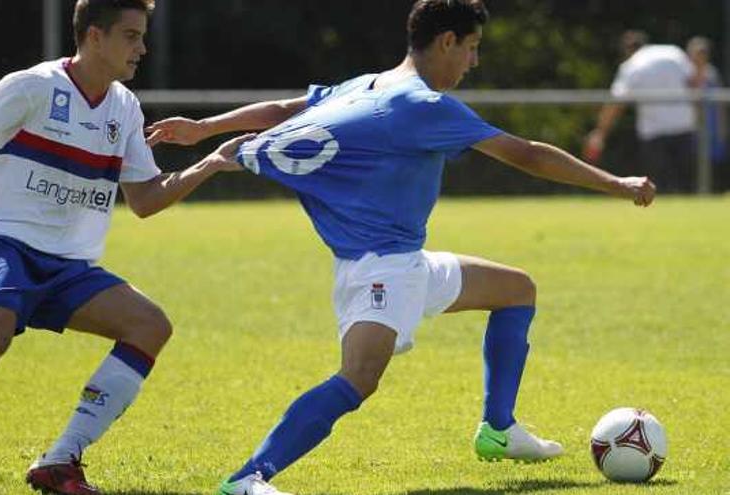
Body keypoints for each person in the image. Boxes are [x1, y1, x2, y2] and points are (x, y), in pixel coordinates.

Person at [146, 1, 656, 494]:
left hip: (408, 262)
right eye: (472, 47)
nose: (474, 62)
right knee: (359, 378)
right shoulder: (422, 105)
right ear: (446, 41)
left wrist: (206, 128)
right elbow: (526, 154)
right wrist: (618, 183)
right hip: (378, 271)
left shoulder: (366, 84)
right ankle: (248, 478)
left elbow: (287, 109)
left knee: (516, 290)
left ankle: (498, 430)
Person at [0, 1, 247, 494]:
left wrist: (210, 163)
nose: (142, 48)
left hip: (68, 265)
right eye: (130, 36)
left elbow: (146, 200)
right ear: (94, 36)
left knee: (149, 325)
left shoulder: (124, 107)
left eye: (142, 36)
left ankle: (60, 461)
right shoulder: (33, 86)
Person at [584, 30, 696, 193]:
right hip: (684, 125)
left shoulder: (632, 65)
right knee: (687, 186)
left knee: (660, 188)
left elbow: (616, 102)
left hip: (654, 132)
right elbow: (695, 81)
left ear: (627, 50)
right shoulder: (674, 52)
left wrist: (600, 133)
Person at [687, 36, 728, 191]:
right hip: (693, 127)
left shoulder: (712, 74)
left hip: (712, 127)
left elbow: (720, 106)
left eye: (703, 52)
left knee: (714, 164)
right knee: (694, 163)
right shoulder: (686, 73)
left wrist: (722, 128)